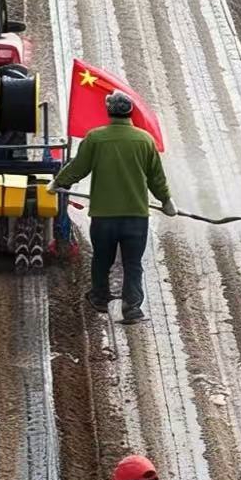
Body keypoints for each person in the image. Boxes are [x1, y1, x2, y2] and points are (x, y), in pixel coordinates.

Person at [50, 89, 173, 323]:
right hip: (136, 216)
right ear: (130, 112)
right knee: (133, 264)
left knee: (101, 259)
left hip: (104, 216)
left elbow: (78, 167)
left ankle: (100, 298)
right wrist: (166, 200)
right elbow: (156, 178)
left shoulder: (95, 138)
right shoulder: (145, 140)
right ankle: (132, 308)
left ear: (108, 111)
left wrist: (59, 183)